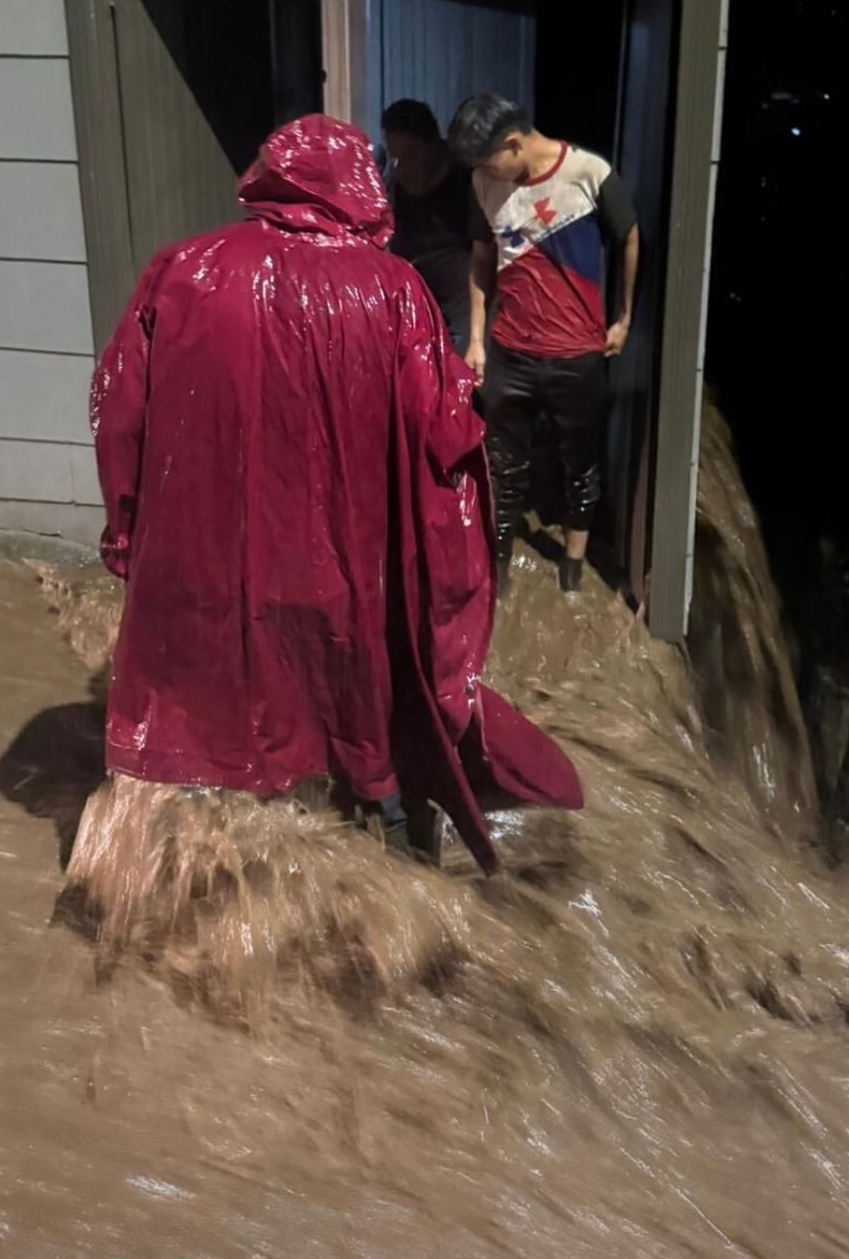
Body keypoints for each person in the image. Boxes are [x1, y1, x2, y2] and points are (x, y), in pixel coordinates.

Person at [90, 114, 582, 872]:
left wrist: (127, 538)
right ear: (358, 184)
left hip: (210, 569)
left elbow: (119, 411)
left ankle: (215, 884)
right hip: (346, 577)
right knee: (351, 718)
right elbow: (444, 449)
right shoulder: (394, 292)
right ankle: (383, 863)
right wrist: (453, 585)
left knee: (217, 737)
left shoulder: (181, 270)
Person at [448, 93, 640, 595]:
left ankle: (573, 566)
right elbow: (480, 258)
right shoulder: (483, 182)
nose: (484, 171)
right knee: (502, 461)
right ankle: (500, 563)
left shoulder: (587, 172)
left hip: (576, 352)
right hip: (511, 348)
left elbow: (630, 235)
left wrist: (623, 318)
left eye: (488, 159)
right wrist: (476, 339)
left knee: (579, 459)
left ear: (513, 144)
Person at [381, 98, 478, 356]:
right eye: (397, 159)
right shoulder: (390, 182)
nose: (405, 169)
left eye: (411, 157)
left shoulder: (467, 180)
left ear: (435, 145)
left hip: (459, 308)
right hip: (412, 304)